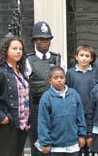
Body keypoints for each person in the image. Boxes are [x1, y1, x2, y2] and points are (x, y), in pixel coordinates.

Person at [26, 21, 66, 156]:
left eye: (47, 39)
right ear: (35, 40)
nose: (45, 42)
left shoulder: (58, 59)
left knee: (56, 147)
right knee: (38, 147)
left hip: (57, 110)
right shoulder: (28, 61)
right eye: (41, 39)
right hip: (36, 110)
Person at [0, 37, 30, 156]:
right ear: (6, 50)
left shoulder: (20, 72)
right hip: (6, 128)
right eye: (14, 48)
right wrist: (3, 118)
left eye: (20, 49)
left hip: (21, 126)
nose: (18, 51)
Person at [37, 66, 87, 156]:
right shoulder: (46, 98)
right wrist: (45, 142)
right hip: (55, 147)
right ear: (50, 80)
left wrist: (82, 135)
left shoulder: (74, 94)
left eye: (62, 77)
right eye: (55, 78)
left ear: (65, 78)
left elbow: (80, 117)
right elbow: (43, 122)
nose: (59, 80)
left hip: (73, 145)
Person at [66, 45, 95, 156]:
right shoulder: (70, 73)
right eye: (81, 55)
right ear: (76, 57)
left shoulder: (95, 73)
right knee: (77, 144)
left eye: (87, 56)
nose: (84, 58)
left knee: (90, 144)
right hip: (75, 113)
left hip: (91, 113)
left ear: (91, 58)